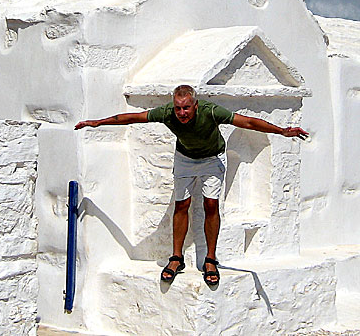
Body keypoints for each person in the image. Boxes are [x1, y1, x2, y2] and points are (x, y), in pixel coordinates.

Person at [74, 84, 308, 286]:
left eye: (186, 108)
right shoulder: (166, 113)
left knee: (210, 205)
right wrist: (97, 123)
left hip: (212, 158)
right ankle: (176, 258)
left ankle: (211, 259)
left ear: (195, 105)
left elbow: (246, 121)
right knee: (181, 205)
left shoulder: (211, 111)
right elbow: (133, 118)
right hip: (185, 158)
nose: (182, 113)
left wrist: (282, 131)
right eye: (178, 108)